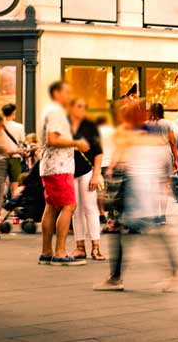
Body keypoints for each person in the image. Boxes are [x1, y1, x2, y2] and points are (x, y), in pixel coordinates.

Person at [93, 98, 178, 292]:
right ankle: (171, 273)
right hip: (138, 191)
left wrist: (114, 168)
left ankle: (118, 278)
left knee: (141, 235)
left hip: (138, 192)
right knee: (133, 233)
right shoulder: (145, 134)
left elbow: (128, 158)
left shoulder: (137, 134)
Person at [38, 81, 89, 266]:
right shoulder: (56, 111)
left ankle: (46, 251)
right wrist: (76, 143)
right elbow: (53, 139)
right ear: (57, 93)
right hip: (59, 166)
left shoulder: (48, 110)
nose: (69, 96)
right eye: (67, 92)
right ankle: (60, 252)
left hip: (49, 165)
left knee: (51, 206)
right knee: (69, 206)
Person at [67, 98, 104, 260]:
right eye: (78, 106)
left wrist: (96, 174)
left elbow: (98, 152)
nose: (81, 109)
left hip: (87, 171)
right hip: (69, 171)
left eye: (84, 107)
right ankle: (79, 247)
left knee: (90, 208)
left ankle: (96, 247)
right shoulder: (64, 126)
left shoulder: (90, 127)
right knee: (76, 211)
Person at [0, 104, 25, 200]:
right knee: (15, 185)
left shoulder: (0, 126)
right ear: (13, 112)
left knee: (1, 185)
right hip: (15, 157)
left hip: (2, 157)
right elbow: (22, 140)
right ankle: (13, 210)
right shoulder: (19, 126)